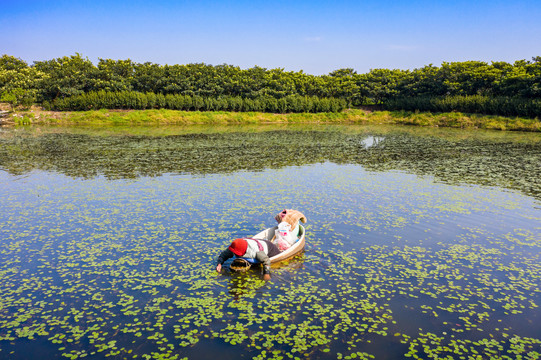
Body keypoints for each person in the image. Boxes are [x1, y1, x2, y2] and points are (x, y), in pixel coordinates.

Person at [216, 238, 281, 280]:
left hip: (270, 248)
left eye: (237, 254)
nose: (235, 255)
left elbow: (266, 261)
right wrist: (219, 263)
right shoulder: (236, 246)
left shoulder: (256, 252)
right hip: (258, 241)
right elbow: (223, 255)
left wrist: (266, 273)